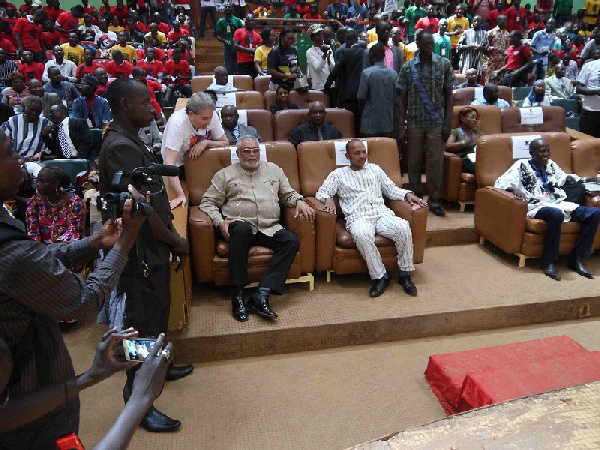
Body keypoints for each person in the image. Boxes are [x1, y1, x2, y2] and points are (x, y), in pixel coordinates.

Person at [0, 125, 151, 447]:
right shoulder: (10, 251)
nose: (22, 161)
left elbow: (36, 257)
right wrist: (125, 242)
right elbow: (83, 302)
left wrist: (92, 243)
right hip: (30, 402)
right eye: (11, 152)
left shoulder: (5, 221)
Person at [99, 77, 192, 433]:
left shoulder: (130, 139)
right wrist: (175, 241)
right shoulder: (120, 147)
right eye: (144, 102)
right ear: (124, 105)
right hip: (139, 254)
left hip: (150, 249)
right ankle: (138, 399)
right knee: (140, 326)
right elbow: (142, 211)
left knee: (156, 315)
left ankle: (160, 366)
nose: (152, 107)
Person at [200, 135, 315, 321]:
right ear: (238, 153)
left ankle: (261, 294)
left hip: (269, 227)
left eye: (255, 150)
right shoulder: (225, 174)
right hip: (240, 227)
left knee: (291, 241)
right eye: (246, 151)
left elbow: (288, 194)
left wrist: (300, 201)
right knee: (242, 230)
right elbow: (207, 202)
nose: (252, 154)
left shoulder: (274, 170)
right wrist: (219, 222)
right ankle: (237, 295)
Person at [315, 139, 426, 297]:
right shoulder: (338, 174)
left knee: (403, 227)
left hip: (381, 214)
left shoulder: (375, 169)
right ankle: (380, 276)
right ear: (347, 156)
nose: (362, 156)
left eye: (363, 152)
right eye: (357, 153)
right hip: (358, 217)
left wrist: (407, 194)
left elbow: (391, 189)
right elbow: (322, 192)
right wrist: (328, 198)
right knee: (361, 235)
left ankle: (405, 274)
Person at [494, 138, 600, 280]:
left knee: (594, 213)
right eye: (542, 151)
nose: (546, 154)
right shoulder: (521, 165)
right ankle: (548, 261)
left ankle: (576, 258)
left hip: (557, 202)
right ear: (532, 152)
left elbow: (565, 178)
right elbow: (499, 183)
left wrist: (590, 179)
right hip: (535, 205)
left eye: (548, 151)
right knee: (555, 215)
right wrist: (514, 189)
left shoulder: (550, 165)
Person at [398, 30, 455, 217]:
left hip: (436, 121)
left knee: (436, 162)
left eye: (431, 43)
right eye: (426, 44)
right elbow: (402, 99)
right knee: (413, 162)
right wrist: (401, 125)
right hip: (414, 121)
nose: (429, 47)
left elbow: (449, 96)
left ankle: (435, 200)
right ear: (418, 44)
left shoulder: (444, 64)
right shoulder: (407, 68)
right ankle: (415, 196)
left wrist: (448, 123)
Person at [161, 92, 228, 209]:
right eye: (204, 119)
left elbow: (225, 142)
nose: (208, 122)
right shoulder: (177, 123)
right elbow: (169, 163)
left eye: (210, 118)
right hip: (179, 167)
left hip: (199, 161)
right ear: (191, 114)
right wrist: (180, 195)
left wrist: (206, 142)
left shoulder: (210, 116)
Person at [25, 165, 84, 242]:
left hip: (67, 248)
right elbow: (32, 232)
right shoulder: (34, 202)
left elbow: (73, 232)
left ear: (56, 183)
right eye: (37, 180)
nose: (38, 184)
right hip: (41, 249)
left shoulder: (74, 202)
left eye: (43, 181)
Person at [325, 29, 364, 131]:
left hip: (347, 94)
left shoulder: (345, 52)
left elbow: (335, 71)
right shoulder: (366, 53)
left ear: (348, 40)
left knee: (347, 122)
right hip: (362, 93)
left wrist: (327, 86)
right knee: (359, 121)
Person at [358, 43, 397, 137]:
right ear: (384, 56)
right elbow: (396, 98)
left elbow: (361, 97)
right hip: (387, 121)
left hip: (370, 122)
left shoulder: (367, 73)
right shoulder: (393, 73)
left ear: (372, 56)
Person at [1, 95, 50, 160]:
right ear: (24, 109)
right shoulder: (13, 121)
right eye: (32, 110)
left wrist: (42, 153)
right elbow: (3, 140)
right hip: (14, 159)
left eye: (38, 110)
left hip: (37, 160)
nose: (34, 113)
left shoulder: (46, 123)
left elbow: (50, 146)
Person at [445, 106, 482, 175]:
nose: (474, 120)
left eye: (476, 118)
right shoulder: (455, 132)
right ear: (462, 118)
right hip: (464, 161)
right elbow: (448, 146)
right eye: (472, 117)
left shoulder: (478, 133)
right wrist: (464, 143)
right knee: (479, 168)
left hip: (479, 159)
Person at [267, 27, 300, 91]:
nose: (290, 41)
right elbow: (270, 71)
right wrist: (287, 76)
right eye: (288, 38)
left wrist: (298, 72)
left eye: (292, 39)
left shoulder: (294, 50)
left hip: (292, 84)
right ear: (282, 37)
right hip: (278, 85)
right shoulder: (275, 51)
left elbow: (298, 65)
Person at [215, 4, 243, 75]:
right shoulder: (221, 21)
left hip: (237, 47)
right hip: (227, 47)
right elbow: (218, 36)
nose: (227, 9)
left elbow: (243, 32)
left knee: (237, 68)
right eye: (226, 7)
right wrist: (224, 41)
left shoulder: (237, 20)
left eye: (229, 7)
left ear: (232, 9)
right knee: (228, 68)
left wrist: (235, 28)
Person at [576, 55, 600, 136]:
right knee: (588, 145)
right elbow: (578, 88)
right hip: (590, 113)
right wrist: (597, 91)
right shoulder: (590, 66)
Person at [306, 24, 335, 91]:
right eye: (318, 35)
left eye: (321, 34)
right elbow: (317, 68)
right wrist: (325, 55)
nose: (321, 36)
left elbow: (333, 67)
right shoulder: (310, 52)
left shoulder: (328, 48)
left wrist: (328, 60)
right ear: (312, 38)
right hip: (319, 86)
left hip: (330, 85)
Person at [232, 14, 262, 78]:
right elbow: (235, 46)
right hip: (242, 62)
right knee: (242, 82)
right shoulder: (239, 31)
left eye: (252, 20)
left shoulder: (257, 35)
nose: (251, 22)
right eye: (249, 20)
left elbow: (260, 48)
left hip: (253, 63)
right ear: (246, 22)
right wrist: (250, 50)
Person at [487, 14, 510, 81]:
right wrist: (491, 48)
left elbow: (508, 47)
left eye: (506, 20)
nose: (505, 22)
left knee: (499, 79)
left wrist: (505, 54)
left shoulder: (507, 34)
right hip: (492, 59)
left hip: (502, 61)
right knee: (490, 77)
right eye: (503, 20)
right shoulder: (491, 32)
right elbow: (485, 45)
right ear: (498, 21)